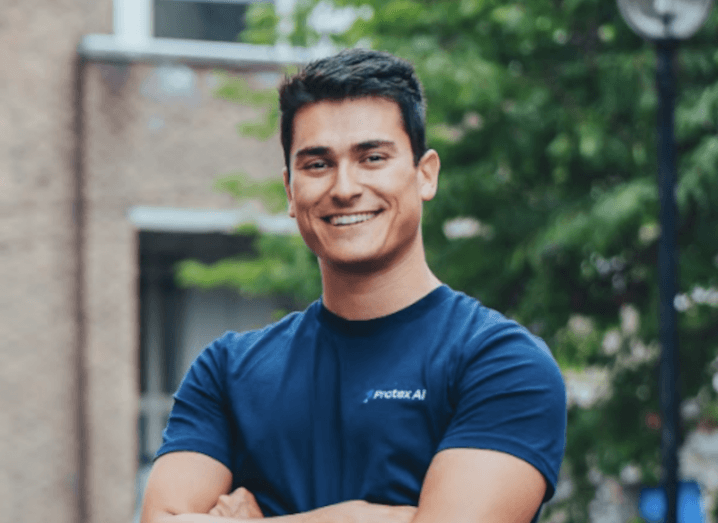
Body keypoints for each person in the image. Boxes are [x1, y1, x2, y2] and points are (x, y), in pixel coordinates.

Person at [140, 48, 566, 523]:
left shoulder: (499, 363)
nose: (344, 187)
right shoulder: (227, 371)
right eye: (318, 164)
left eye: (373, 157)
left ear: (425, 174)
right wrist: (376, 517)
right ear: (289, 190)